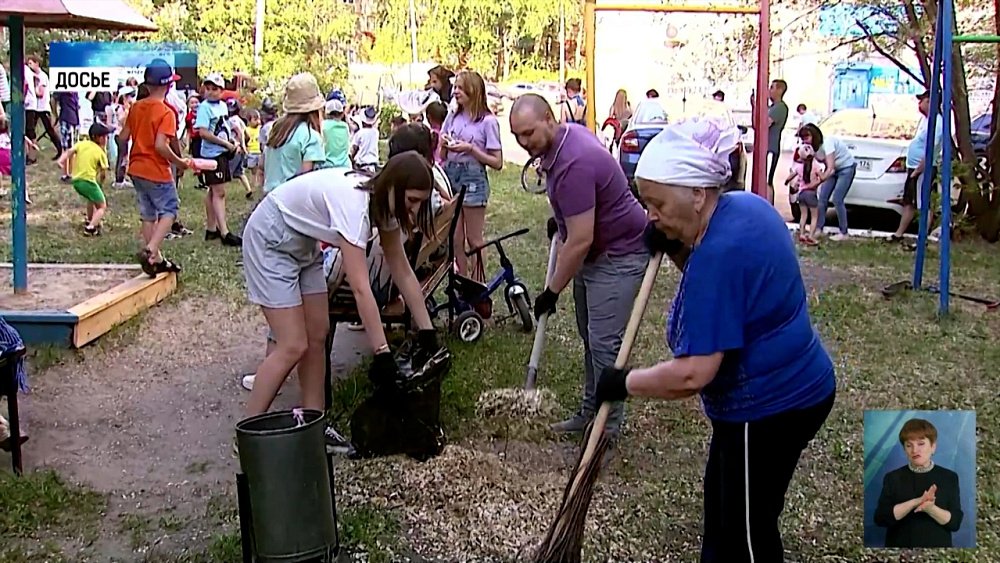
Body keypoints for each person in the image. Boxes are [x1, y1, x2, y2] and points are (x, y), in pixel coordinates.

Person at [593, 117, 836, 563]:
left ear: (697, 194)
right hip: (798, 387)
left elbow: (693, 374)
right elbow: (732, 294)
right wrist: (677, 248)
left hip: (770, 407)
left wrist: (623, 382)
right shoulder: (745, 207)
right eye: (645, 203)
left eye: (657, 203)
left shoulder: (719, 256)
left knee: (746, 534)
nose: (651, 215)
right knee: (725, 507)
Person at [240, 153, 441, 452]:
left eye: (420, 202)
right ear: (394, 187)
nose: (414, 209)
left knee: (318, 334)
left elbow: (402, 270)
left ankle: (314, 425)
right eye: (411, 200)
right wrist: (382, 353)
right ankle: (248, 433)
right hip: (271, 237)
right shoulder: (355, 206)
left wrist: (427, 331)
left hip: (302, 243)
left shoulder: (384, 204)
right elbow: (361, 289)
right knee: (293, 344)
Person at [510, 93, 648, 435]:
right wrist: (563, 218)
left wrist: (551, 292)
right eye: (517, 136)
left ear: (549, 120)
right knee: (591, 337)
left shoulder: (573, 162)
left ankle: (607, 428)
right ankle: (590, 412)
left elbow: (581, 241)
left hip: (620, 253)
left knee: (604, 344)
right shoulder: (564, 138)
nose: (524, 143)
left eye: (528, 133)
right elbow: (583, 209)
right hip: (596, 251)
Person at [119, 59, 190, 275]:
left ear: (146, 85)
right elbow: (161, 145)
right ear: (169, 86)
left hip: (136, 169)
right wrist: (179, 162)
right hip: (156, 169)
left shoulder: (136, 107)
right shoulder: (167, 112)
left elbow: (122, 137)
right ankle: (151, 249)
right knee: (170, 209)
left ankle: (156, 260)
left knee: (148, 213)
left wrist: (123, 156)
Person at [440, 70, 503, 280]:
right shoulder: (453, 116)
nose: (455, 91)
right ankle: (463, 280)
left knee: (474, 239)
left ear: (473, 90)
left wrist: (471, 149)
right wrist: (444, 145)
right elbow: (442, 149)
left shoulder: (488, 122)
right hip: (451, 175)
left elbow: (497, 162)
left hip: (473, 178)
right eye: (454, 87)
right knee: (455, 237)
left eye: (459, 87)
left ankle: (478, 283)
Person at [874, 418, 963, 548]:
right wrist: (916, 502)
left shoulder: (949, 477)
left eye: (921, 444)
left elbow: (955, 523)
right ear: (904, 450)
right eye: (909, 445)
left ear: (933, 447)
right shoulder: (892, 478)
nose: (915, 450)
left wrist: (930, 508)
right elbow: (880, 518)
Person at [888, 91, 943, 243]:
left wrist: (919, 169)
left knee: (923, 203)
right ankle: (898, 234)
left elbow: (931, 149)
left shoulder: (937, 123)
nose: (919, 104)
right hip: (914, 168)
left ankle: (922, 237)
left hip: (923, 169)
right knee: (909, 202)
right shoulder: (926, 121)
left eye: (923, 100)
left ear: (931, 102)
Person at [195, 73, 242, 246]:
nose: (211, 92)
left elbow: (225, 126)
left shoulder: (222, 106)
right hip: (212, 154)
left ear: (221, 91)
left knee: (213, 191)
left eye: (215, 89)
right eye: (208, 88)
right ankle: (224, 231)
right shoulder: (204, 108)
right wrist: (225, 144)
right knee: (219, 192)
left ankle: (211, 228)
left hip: (221, 151)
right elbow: (203, 132)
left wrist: (232, 141)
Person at [262, 72, 326, 192]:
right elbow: (306, 181)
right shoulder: (310, 137)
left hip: (270, 198)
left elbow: (263, 166)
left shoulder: (277, 129)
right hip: (292, 201)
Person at [798, 123, 857, 241]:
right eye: (803, 138)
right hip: (832, 171)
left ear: (814, 135)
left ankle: (843, 232)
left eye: (807, 137)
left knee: (837, 199)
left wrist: (815, 184)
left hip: (846, 168)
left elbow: (830, 168)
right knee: (822, 199)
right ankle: (818, 229)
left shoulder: (828, 144)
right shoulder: (812, 149)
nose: (805, 141)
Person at [58, 122, 111, 236]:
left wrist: (61, 161)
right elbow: (103, 173)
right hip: (88, 181)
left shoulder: (82, 144)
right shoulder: (100, 152)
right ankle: (91, 228)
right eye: (105, 137)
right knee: (102, 206)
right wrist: (100, 184)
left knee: (91, 198)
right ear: (98, 138)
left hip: (76, 181)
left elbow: (69, 151)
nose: (106, 139)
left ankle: (90, 219)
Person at [25, 56, 63, 161]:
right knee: (30, 130)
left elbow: (40, 93)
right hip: (36, 108)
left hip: (43, 108)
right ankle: (31, 153)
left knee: (49, 130)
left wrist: (32, 89)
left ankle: (60, 149)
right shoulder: (34, 76)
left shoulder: (42, 76)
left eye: (31, 63)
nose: (30, 66)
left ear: (37, 63)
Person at [785, 143, 823, 245]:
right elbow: (821, 177)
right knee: (814, 216)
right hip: (811, 194)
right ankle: (811, 236)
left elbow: (791, 176)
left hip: (801, 194)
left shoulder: (799, 166)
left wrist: (786, 182)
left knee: (803, 215)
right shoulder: (816, 165)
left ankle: (802, 234)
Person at [764, 79, 789, 205]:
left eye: (772, 88)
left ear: (780, 90)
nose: (769, 90)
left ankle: (768, 206)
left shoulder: (780, 108)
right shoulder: (772, 107)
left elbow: (764, 124)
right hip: (768, 148)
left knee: (767, 181)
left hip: (771, 148)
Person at [109, 86, 137, 188]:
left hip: (124, 135)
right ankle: (119, 180)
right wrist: (127, 111)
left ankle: (122, 178)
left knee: (125, 156)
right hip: (120, 135)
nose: (132, 98)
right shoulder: (120, 108)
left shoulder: (124, 108)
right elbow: (122, 121)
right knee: (122, 157)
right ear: (125, 97)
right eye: (130, 96)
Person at [226, 99, 253, 199]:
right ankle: (249, 190)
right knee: (240, 172)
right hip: (240, 149)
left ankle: (220, 193)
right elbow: (247, 134)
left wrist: (242, 145)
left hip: (236, 149)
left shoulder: (232, 120)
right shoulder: (239, 119)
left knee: (227, 171)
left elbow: (240, 133)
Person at [54, 91, 80, 181]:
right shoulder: (62, 91)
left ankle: (70, 172)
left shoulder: (75, 92)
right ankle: (66, 173)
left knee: (72, 148)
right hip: (67, 119)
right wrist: (56, 114)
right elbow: (53, 100)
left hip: (74, 120)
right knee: (67, 147)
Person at [350, 107, 381, 174]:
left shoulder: (359, 133)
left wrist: (352, 159)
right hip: (373, 163)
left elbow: (355, 149)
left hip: (362, 164)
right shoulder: (376, 132)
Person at [322, 99, 351, 169]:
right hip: (345, 166)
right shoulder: (345, 126)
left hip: (327, 166)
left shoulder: (323, 125)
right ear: (342, 114)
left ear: (326, 113)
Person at [244, 109, 263, 188]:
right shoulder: (247, 130)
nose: (258, 121)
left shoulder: (261, 129)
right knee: (252, 169)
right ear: (249, 120)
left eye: (258, 119)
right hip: (251, 152)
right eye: (255, 120)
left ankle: (259, 182)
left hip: (259, 151)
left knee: (260, 168)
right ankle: (253, 182)